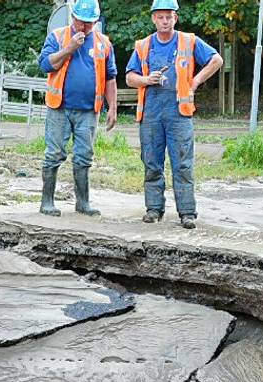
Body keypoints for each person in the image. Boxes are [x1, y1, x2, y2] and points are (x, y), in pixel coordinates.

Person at [125, 0, 223, 229]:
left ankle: (187, 212)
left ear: (175, 18)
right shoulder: (144, 45)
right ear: (153, 18)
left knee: (183, 165)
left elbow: (216, 60)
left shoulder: (188, 41)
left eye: (169, 16)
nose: (165, 20)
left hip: (179, 114)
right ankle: (153, 209)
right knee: (151, 163)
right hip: (151, 114)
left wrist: (195, 81)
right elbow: (130, 77)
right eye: (160, 16)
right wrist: (147, 80)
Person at [38, 0, 118, 217]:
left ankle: (82, 203)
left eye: (90, 23)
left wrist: (113, 107)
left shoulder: (104, 43)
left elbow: (110, 77)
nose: (85, 27)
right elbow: (45, 64)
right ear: (73, 17)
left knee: (84, 156)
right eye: (81, 22)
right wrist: (69, 49)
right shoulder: (57, 37)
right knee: (54, 154)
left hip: (89, 111)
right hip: (59, 108)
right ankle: (47, 202)